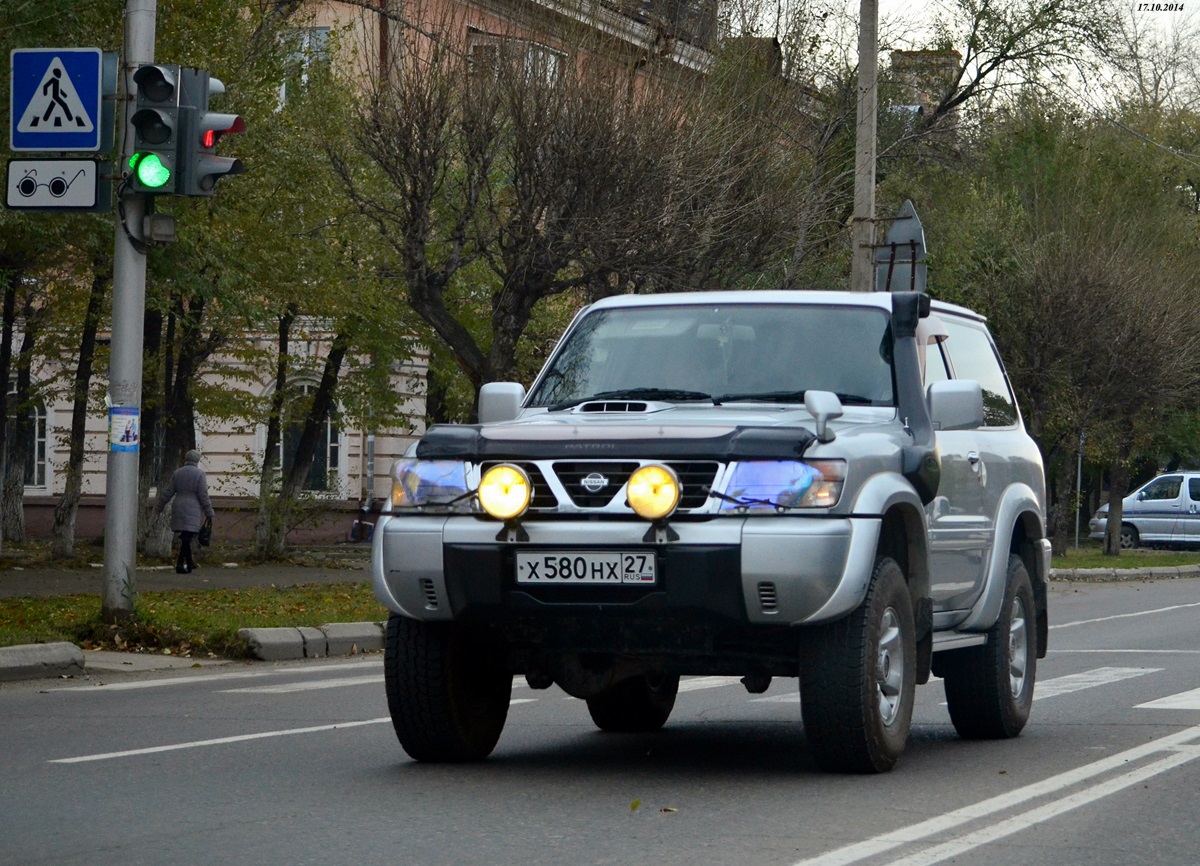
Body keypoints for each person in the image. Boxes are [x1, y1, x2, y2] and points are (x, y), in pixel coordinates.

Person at [155, 449, 215, 574]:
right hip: (192, 507)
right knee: (187, 537)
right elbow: (203, 494)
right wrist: (209, 512)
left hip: (178, 505)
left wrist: (159, 507)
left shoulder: (177, 473)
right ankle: (180, 564)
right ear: (197, 460)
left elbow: (168, 492)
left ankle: (190, 563)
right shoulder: (199, 474)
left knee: (186, 537)